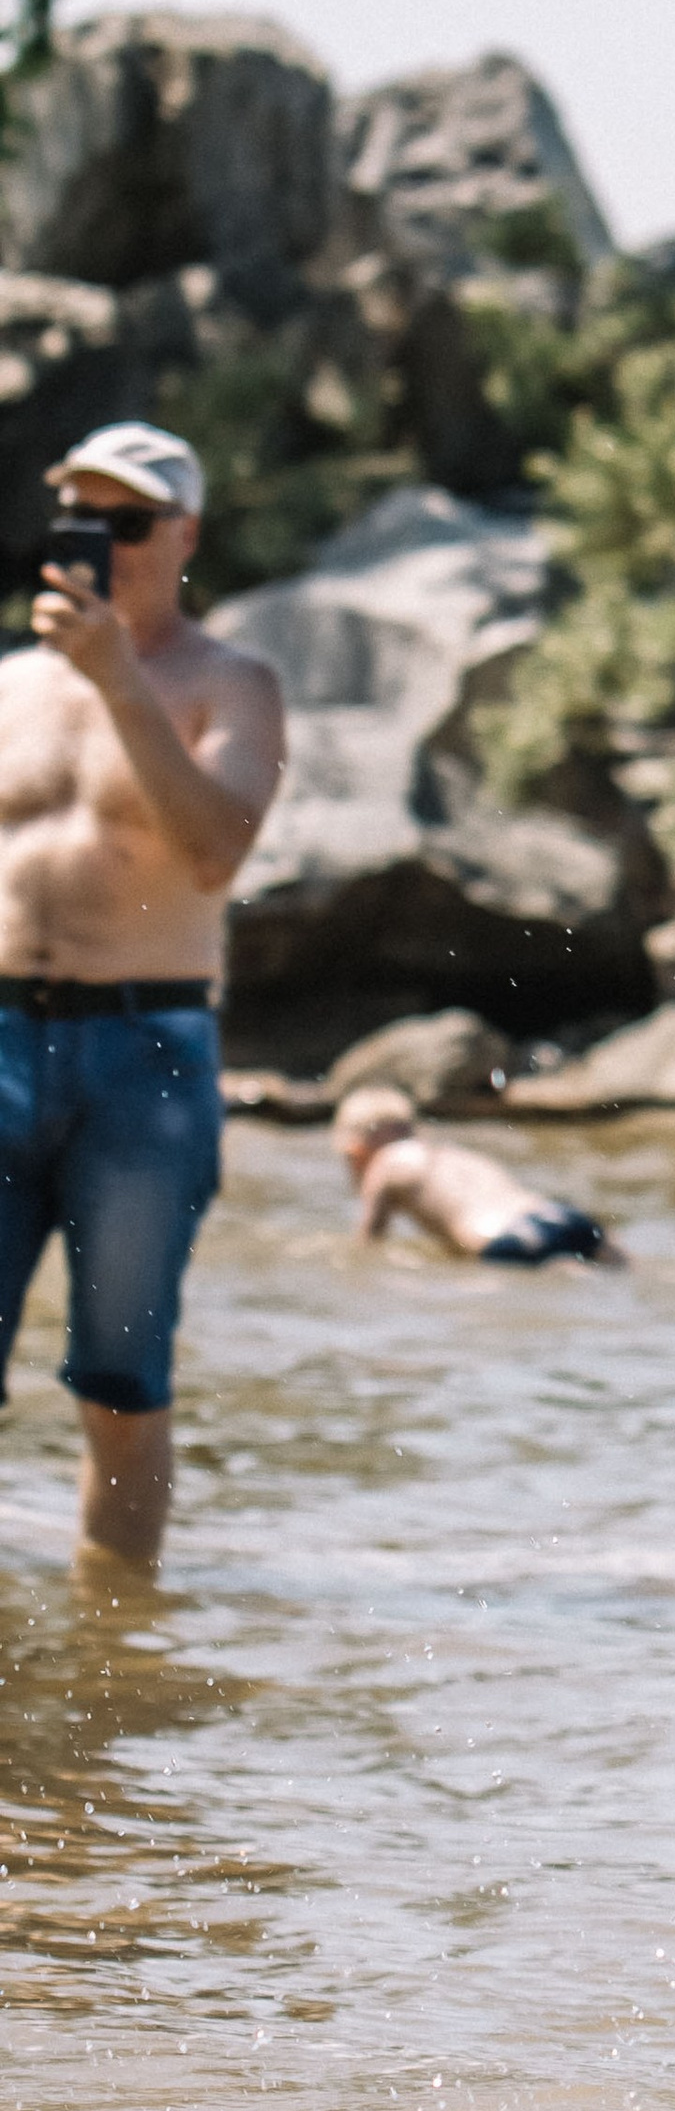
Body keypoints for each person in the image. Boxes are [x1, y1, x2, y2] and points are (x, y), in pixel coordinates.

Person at [0, 419, 286, 1573]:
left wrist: (121, 680)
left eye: (129, 522)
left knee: (121, 1376)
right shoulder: (9, 685)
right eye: (83, 518)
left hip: (145, 1050)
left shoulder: (234, 684)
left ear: (185, 535)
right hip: (2, 1033)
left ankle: (113, 1668)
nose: (103, 543)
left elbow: (216, 848)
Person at [333, 1088, 622, 1266]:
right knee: (607, 1264)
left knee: (562, 1272)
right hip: (560, 1216)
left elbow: (368, 1246)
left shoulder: (383, 1165)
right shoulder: (451, 1154)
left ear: (356, 1152)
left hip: (506, 1241)